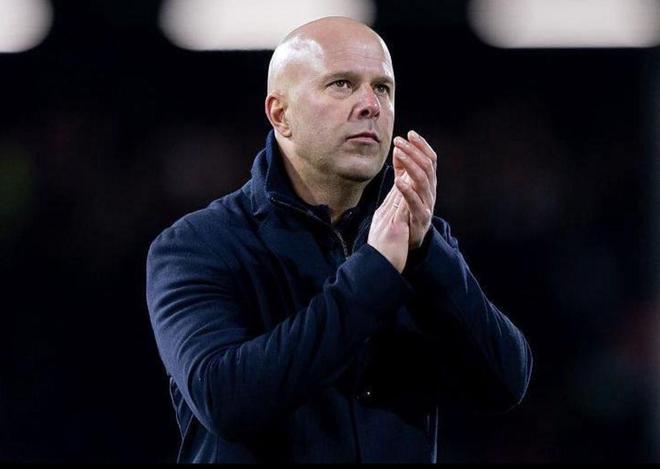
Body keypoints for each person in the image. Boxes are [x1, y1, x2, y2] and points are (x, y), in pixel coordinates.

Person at [146, 16, 533, 463]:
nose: (371, 105)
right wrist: (375, 273)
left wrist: (428, 253)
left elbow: (505, 383)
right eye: (342, 85)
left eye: (382, 88)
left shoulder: (416, 237)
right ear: (280, 114)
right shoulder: (197, 245)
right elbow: (226, 400)